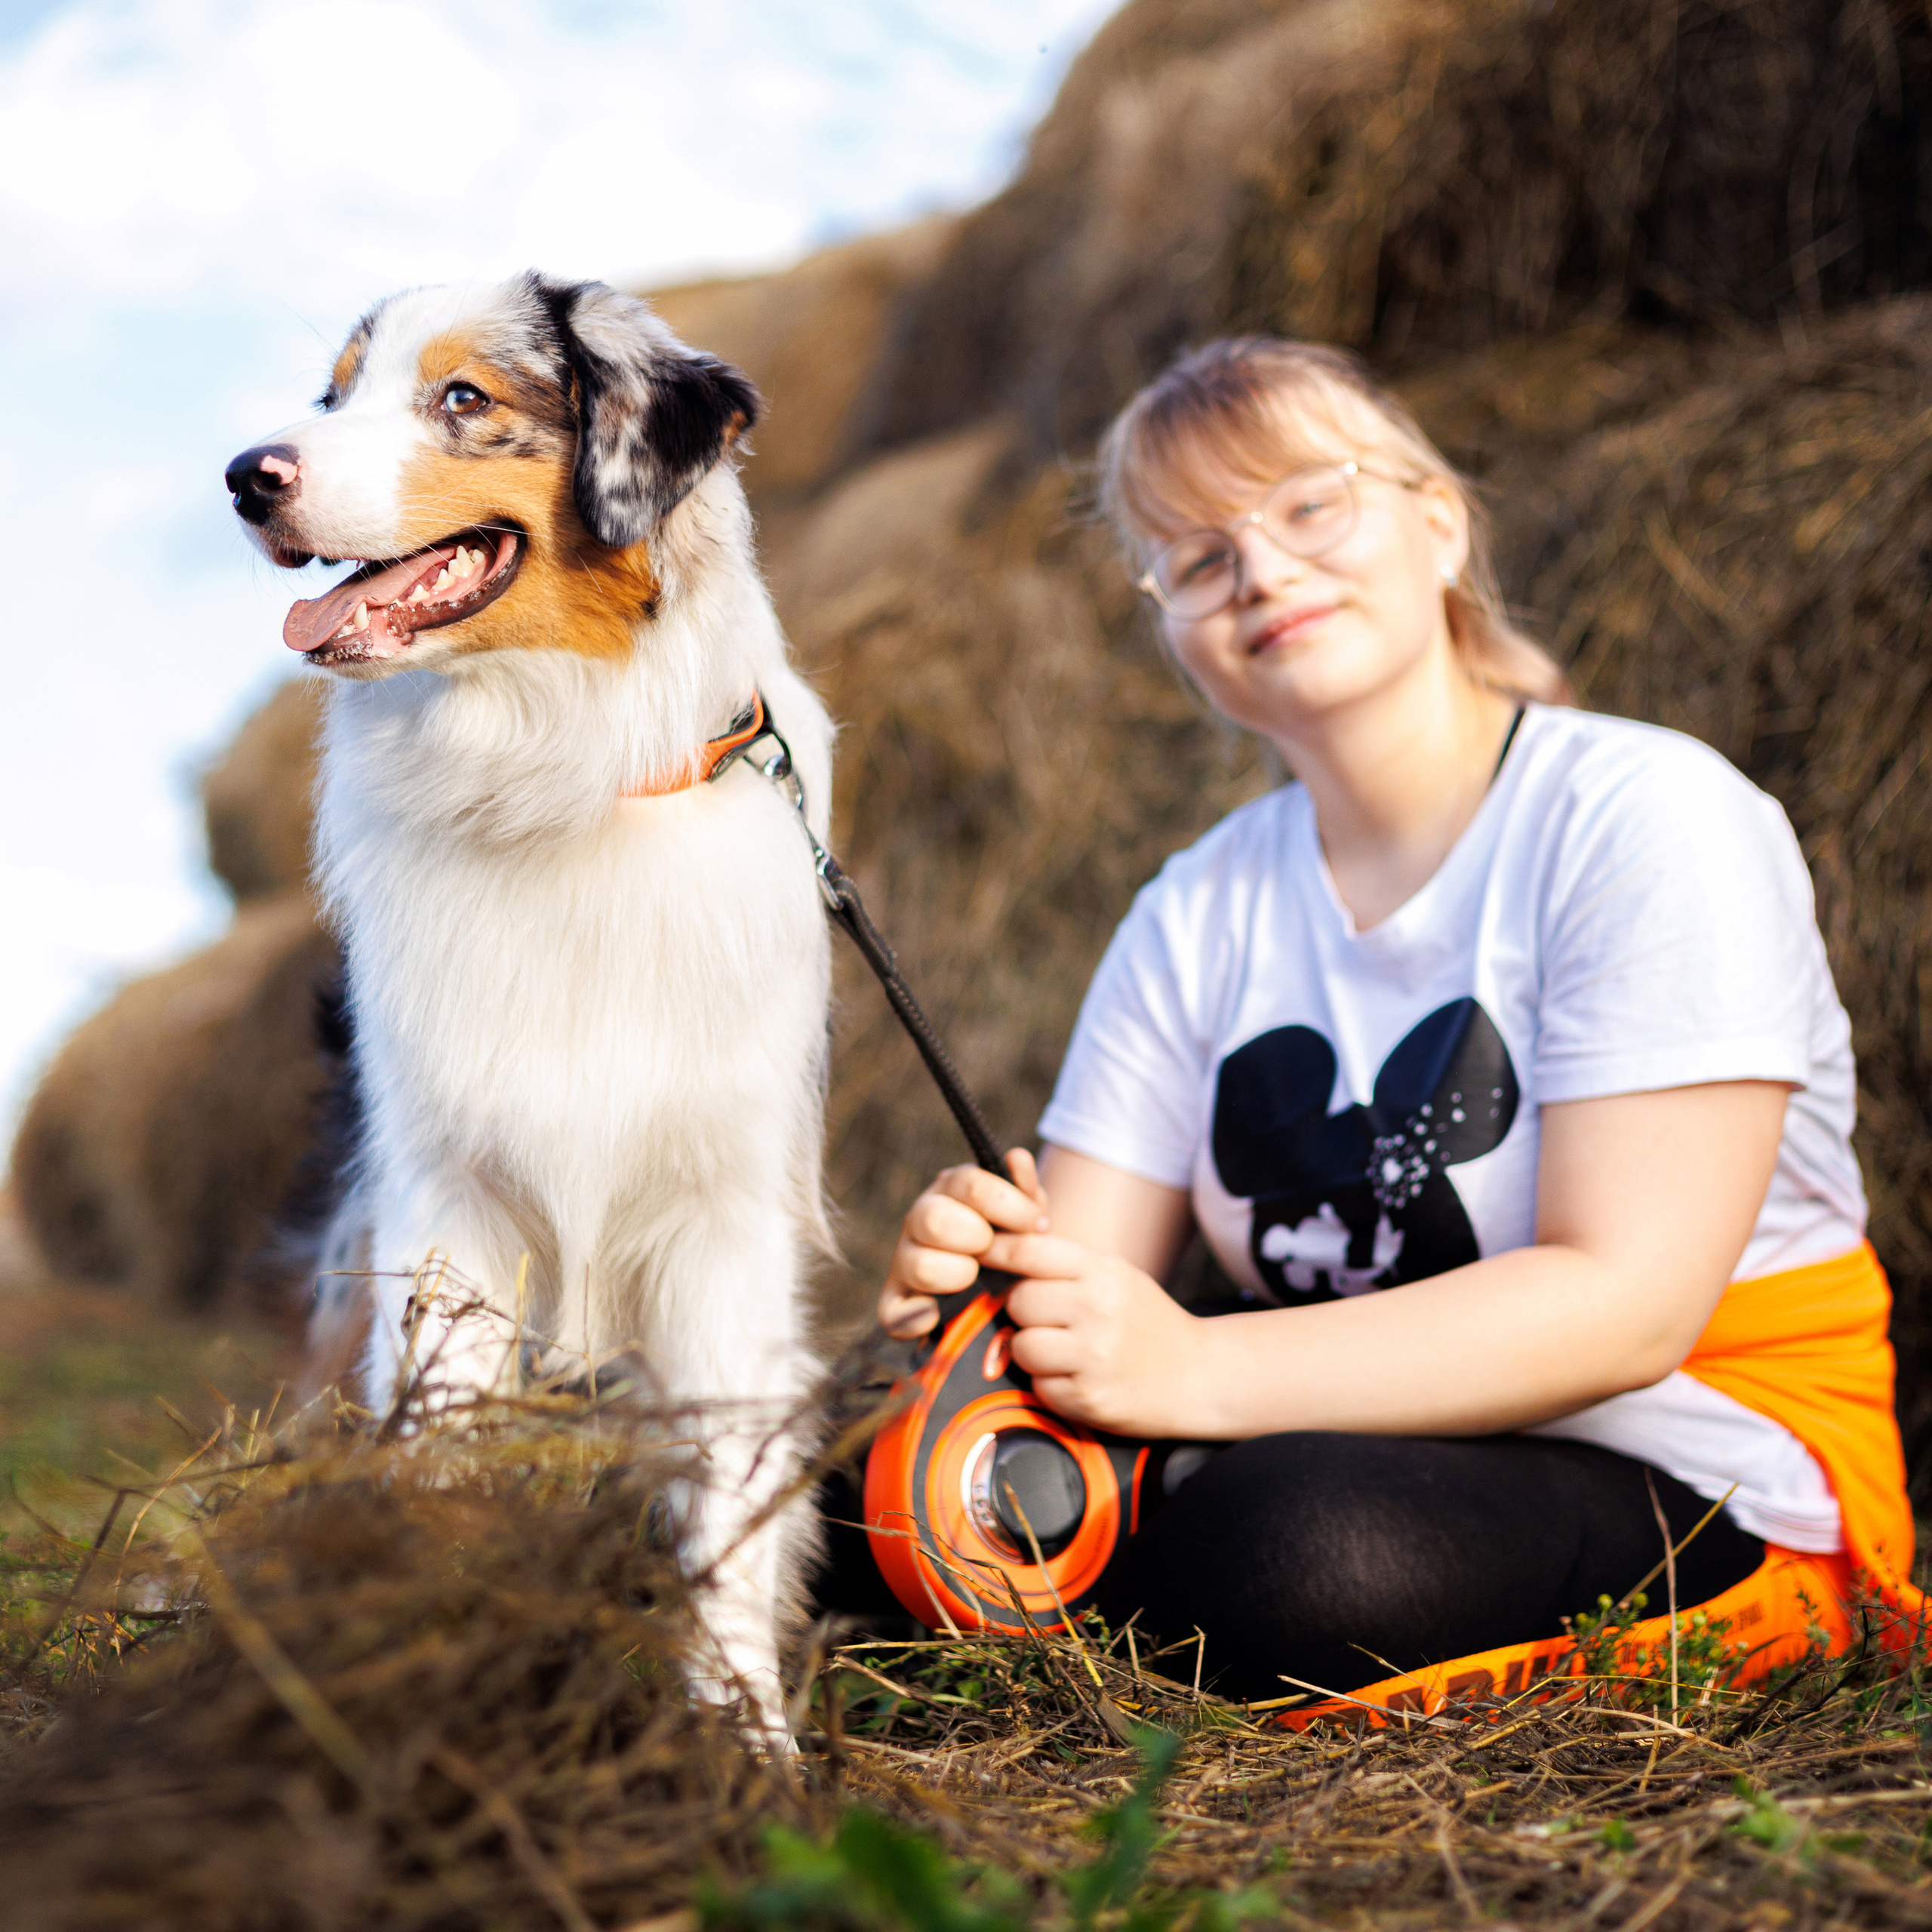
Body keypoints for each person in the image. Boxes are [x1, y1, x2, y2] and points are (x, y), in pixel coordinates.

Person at [864, 337, 1917, 1704]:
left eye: (1309, 503)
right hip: (1317, 1429)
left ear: (1439, 521)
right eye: (1195, 558)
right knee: (847, 1508)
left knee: (1297, 1548)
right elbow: (1086, 1307)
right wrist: (981, 1293)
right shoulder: (1197, 907)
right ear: (1177, 631)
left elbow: (1628, 1308)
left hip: (1691, 1452)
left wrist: (1195, 1367)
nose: (1260, 569)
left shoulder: (1651, 820)